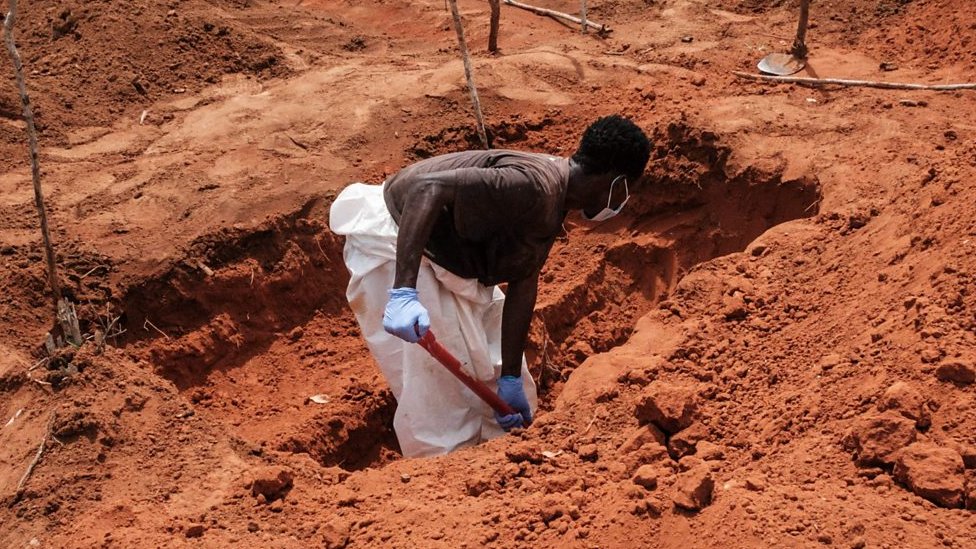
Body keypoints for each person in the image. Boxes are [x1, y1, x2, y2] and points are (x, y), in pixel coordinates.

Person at [329, 115, 651, 457]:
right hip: (401, 245)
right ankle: (446, 479)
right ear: (616, 183)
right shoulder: (532, 186)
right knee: (442, 397)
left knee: (494, 366)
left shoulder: (554, 201)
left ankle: (501, 458)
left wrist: (510, 377)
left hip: (449, 261)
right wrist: (404, 291)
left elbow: (524, 284)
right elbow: (428, 189)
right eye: (626, 190)